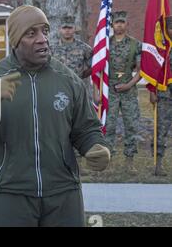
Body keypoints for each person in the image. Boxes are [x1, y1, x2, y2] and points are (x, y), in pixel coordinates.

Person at [0, 5, 110, 227]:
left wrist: (95, 146)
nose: (42, 39)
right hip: (9, 195)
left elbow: (86, 128)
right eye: (31, 33)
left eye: (45, 31)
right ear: (15, 41)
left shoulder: (68, 79)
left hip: (63, 193)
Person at [97, 11, 142, 174]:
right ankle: (107, 160)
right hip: (110, 91)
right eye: (117, 22)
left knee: (131, 125)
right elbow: (99, 70)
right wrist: (99, 90)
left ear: (126, 24)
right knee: (109, 126)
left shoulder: (135, 44)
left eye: (122, 22)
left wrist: (128, 85)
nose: (120, 25)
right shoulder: (105, 45)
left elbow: (140, 71)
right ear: (112, 25)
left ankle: (129, 162)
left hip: (128, 90)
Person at [50, 15, 94, 175]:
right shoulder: (52, 49)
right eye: (64, 27)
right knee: (59, 127)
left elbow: (94, 66)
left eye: (70, 27)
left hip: (77, 93)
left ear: (75, 29)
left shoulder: (84, 48)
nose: (67, 30)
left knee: (78, 127)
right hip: (57, 94)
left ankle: (78, 164)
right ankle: (58, 163)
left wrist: (81, 75)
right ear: (60, 29)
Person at [148, 16, 172, 177]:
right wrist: (151, 90)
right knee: (161, 129)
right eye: (170, 27)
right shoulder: (161, 48)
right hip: (165, 94)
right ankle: (158, 164)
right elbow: (152, 69)